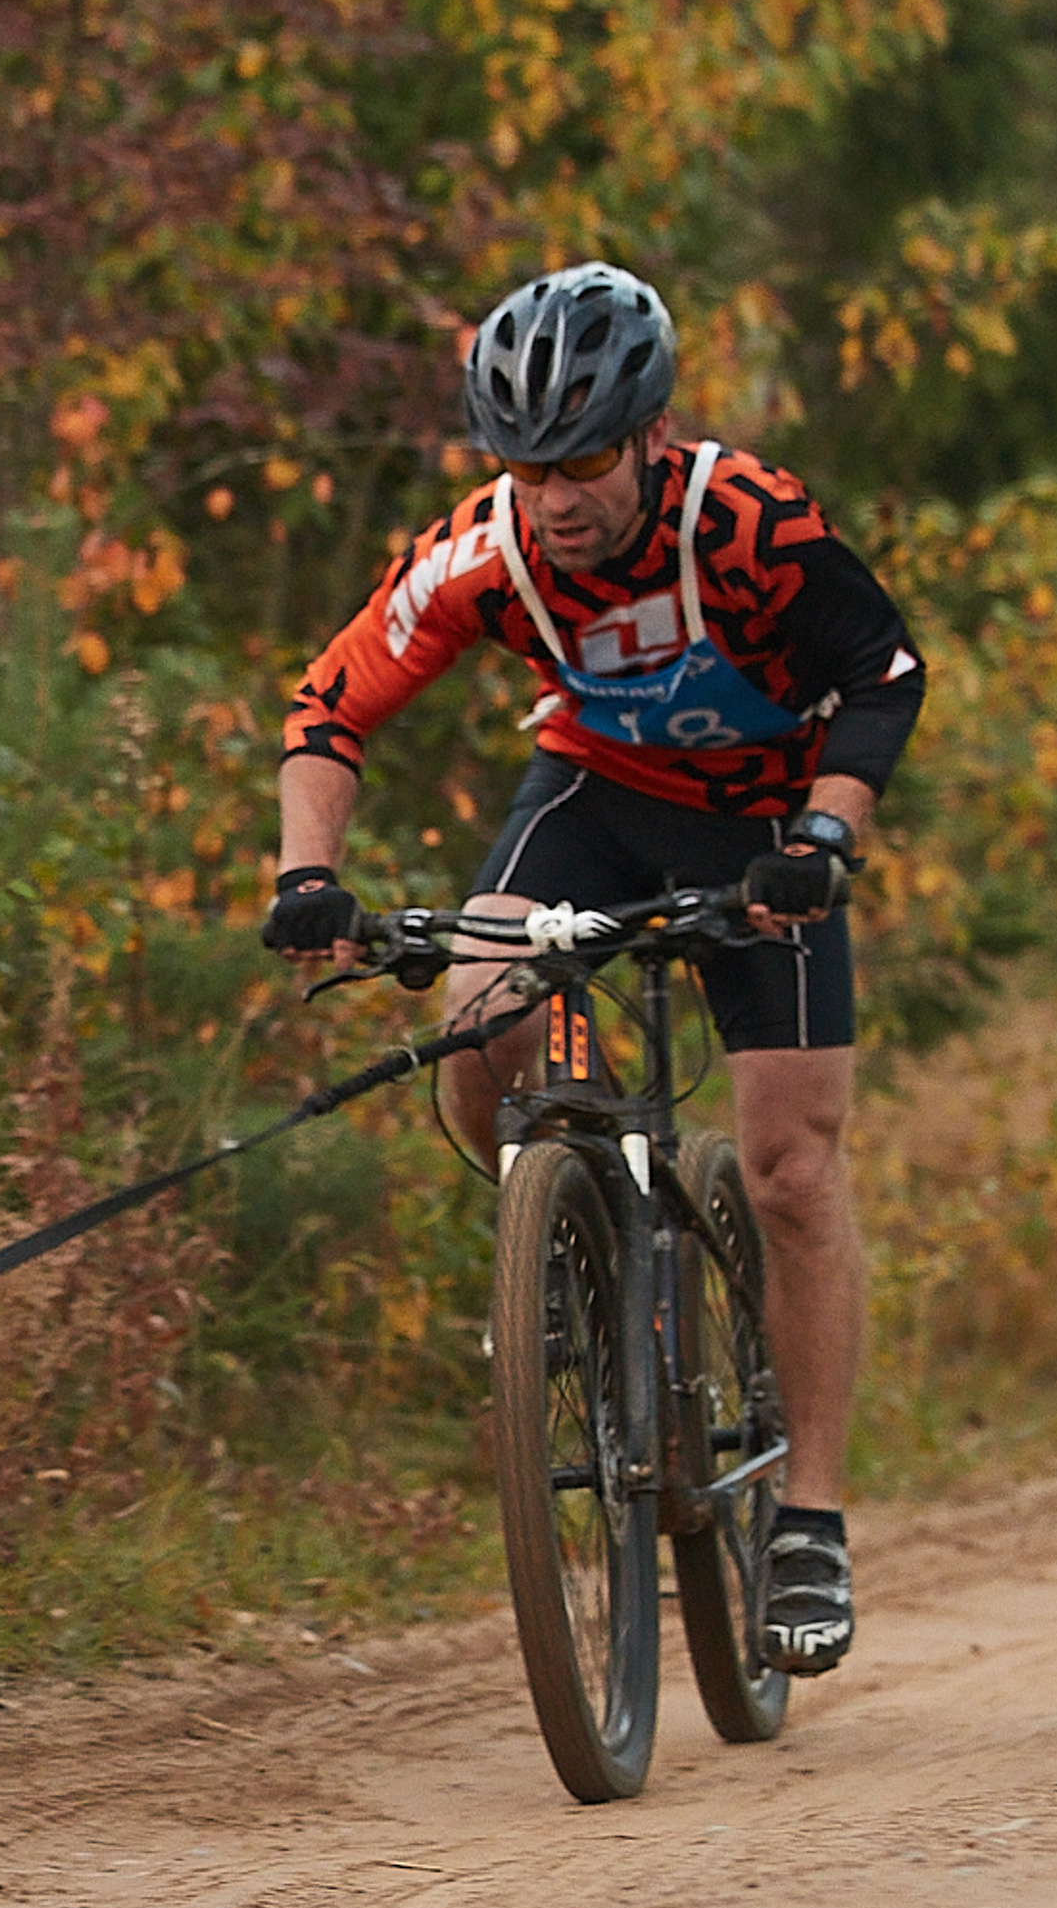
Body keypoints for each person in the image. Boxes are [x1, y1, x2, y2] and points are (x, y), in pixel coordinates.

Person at [263, 261, 924, 1676]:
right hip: (598, 798)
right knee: (476, 1004)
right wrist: (304, 876)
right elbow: (331, 705)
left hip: (764, 826)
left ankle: (809, 1514)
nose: (558, 497)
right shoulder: (482, 552)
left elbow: (885, 672)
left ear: (652, 436)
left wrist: (824, 833)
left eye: (585, 461)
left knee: (794, 1166)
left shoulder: (749, 522)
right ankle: (572, 1219)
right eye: (528, 465)